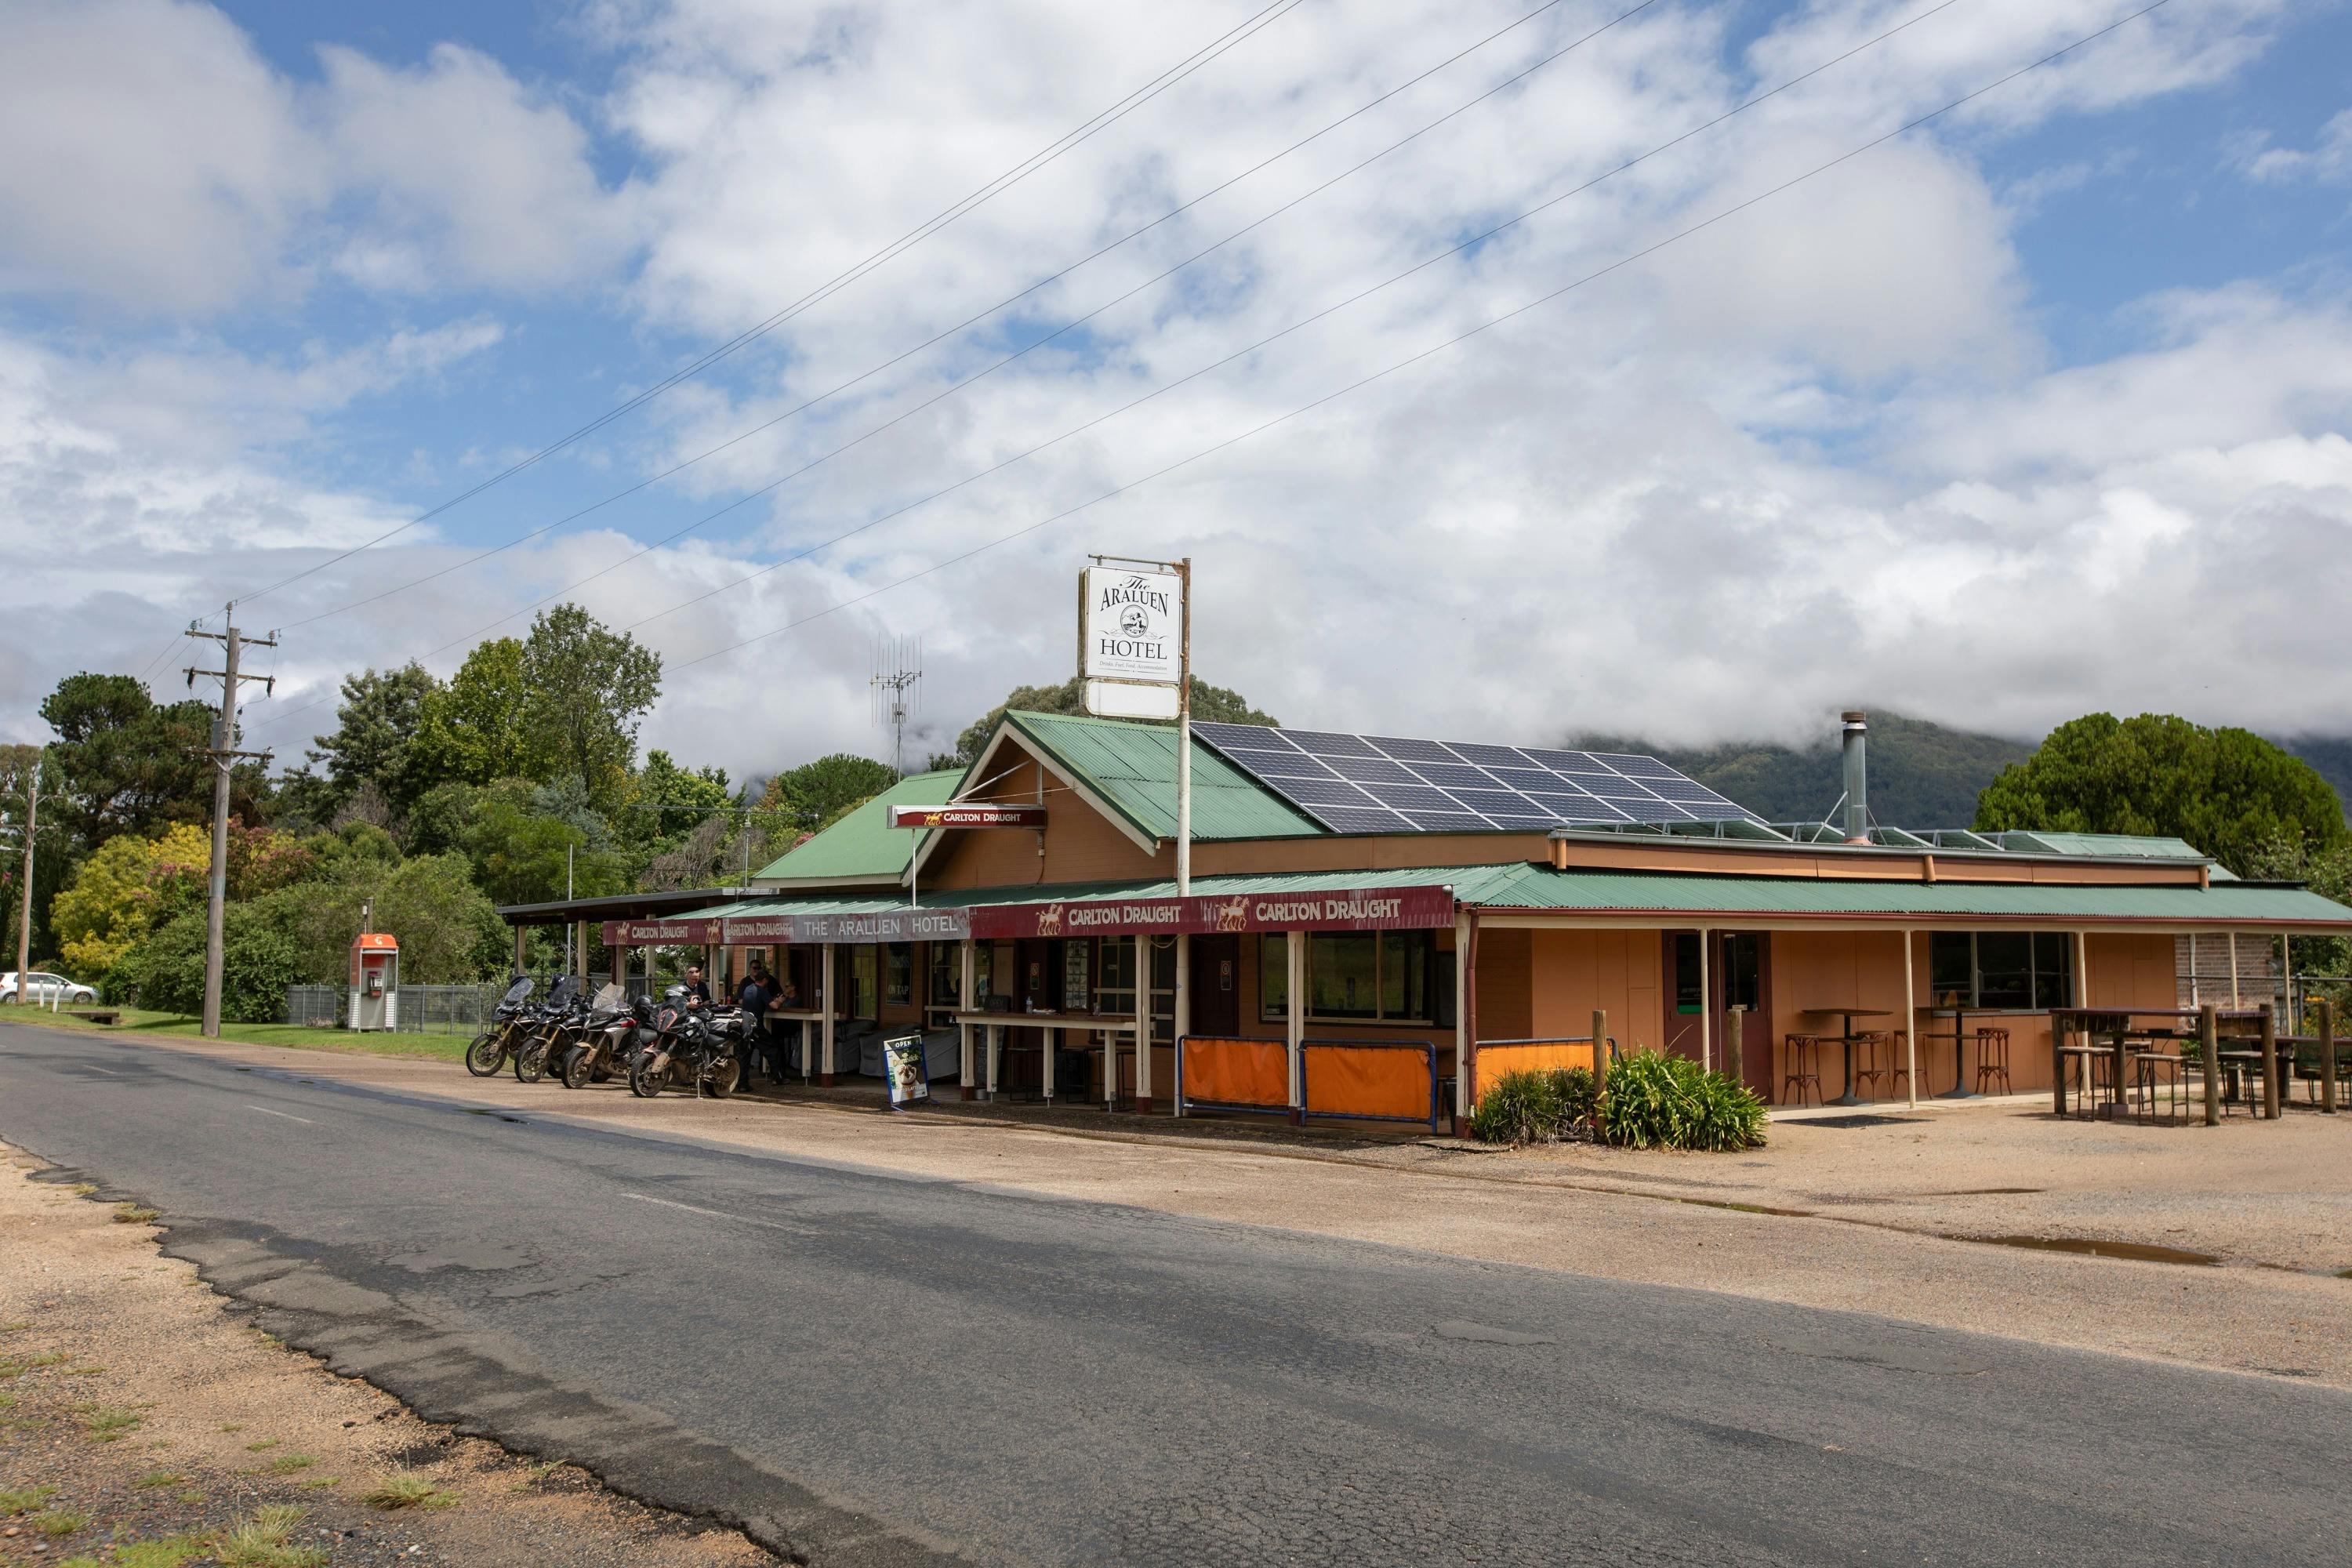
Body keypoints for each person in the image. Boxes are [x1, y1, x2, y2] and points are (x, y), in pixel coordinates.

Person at [734, 966, 772, 1087]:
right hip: (756, 1026)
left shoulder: (747, 989)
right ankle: (778, 1076)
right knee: (772, 1049)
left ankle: (742, 1083)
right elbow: (774, 1006)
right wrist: (780, 1000)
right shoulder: (762, 991)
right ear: (765, 980)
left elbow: (742, 1002)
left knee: (744, 1055)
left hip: (745, 1024)